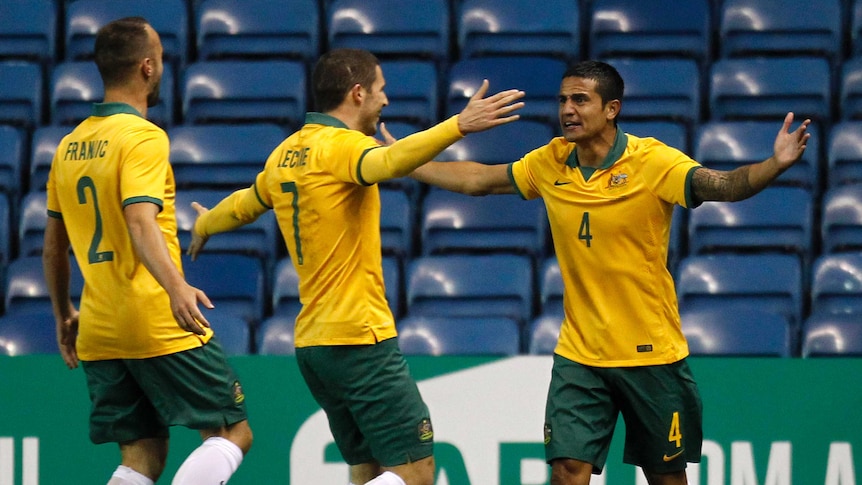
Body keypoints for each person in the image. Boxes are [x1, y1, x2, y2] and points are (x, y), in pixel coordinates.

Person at [405, 60, 811, 485]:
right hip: (580, 354)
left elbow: (725, 186)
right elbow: (479, 180)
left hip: (650, 354)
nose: (568, 110)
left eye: (580, 100)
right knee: (567, 471)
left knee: (665, 478)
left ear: (611, 109)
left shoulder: (653, 161)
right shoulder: (552, 161)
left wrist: (775, 163)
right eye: (563, 100)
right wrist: (405, 162)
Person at [186, 48, 524, 485]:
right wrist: (458, 124)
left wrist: (206, 222)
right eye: (381, 90)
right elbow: (388, 162)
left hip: (314, 346)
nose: (386, 100)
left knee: (366, 469)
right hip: (359, 338)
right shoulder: (343, 147)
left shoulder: (286, 153)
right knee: (415, 472)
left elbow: (246, 204)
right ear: (358, 92)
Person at [42, 17, 253, 485]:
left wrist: (63, 316)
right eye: (160, 58)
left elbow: (53, 251)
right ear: (147, 67)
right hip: (154, 318)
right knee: (231, 431)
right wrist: (176, 287)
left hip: (98, 328)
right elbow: (140, 220)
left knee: (142, 456)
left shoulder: (69, 145)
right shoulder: (142, 137)